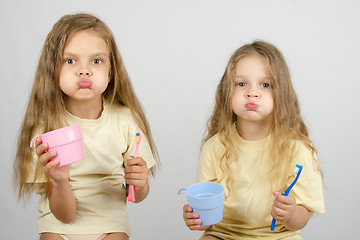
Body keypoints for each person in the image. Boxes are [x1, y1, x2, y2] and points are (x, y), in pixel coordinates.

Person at [13, 13, 159, 240]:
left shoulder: (126, 120)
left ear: (111, 71)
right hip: (58, 226)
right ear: (54, 69)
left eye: (96, 61)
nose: (84, 70)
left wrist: (139, 185)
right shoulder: (45, 131)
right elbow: (64, 216)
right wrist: (59, 180)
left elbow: (136, 196)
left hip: (112, 226)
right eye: (70, 61)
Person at [182, 40, 325, 239]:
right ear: (227, 91)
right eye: (241, 84)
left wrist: (291, 213)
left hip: (278, 236)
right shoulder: (214, 147)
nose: (252, 93)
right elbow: (206, 213)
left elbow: (302, 217)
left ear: (281, 93)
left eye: (265, 85)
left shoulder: (297, 149)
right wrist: (196, 218)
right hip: (224, 234)